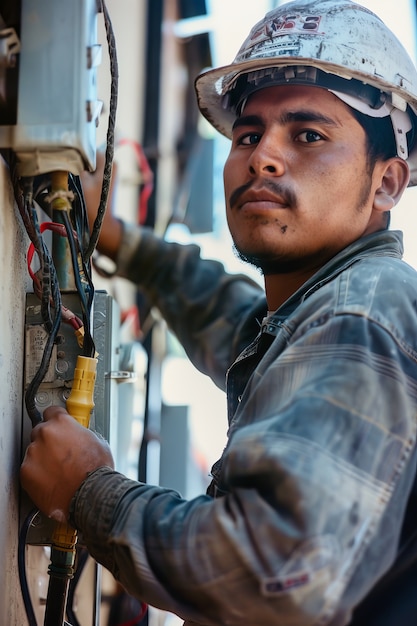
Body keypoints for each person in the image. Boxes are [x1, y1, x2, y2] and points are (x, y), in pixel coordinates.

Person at [20, 1, 417, 624]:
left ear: (387, 183)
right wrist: (117, 237)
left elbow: (272, 578)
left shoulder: (363, 312)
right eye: (249, 135)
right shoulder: (321, 312)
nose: (264, 157)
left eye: (308, 135)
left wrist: (87, 490)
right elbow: (231, 319)